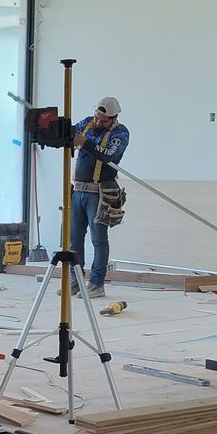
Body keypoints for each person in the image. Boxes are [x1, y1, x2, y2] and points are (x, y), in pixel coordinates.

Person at [70, 95, 128, 298]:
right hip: (77, 190)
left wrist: (84, 142)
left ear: (114, 118)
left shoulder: (120, 133)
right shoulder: (86, 122)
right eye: (97, 117)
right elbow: (71, 134)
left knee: (98, 239)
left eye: (103, 121)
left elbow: (108, 155)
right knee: (74, 240)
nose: (98, 122)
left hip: (99, 193)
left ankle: (96, 283)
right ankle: (75, 281)